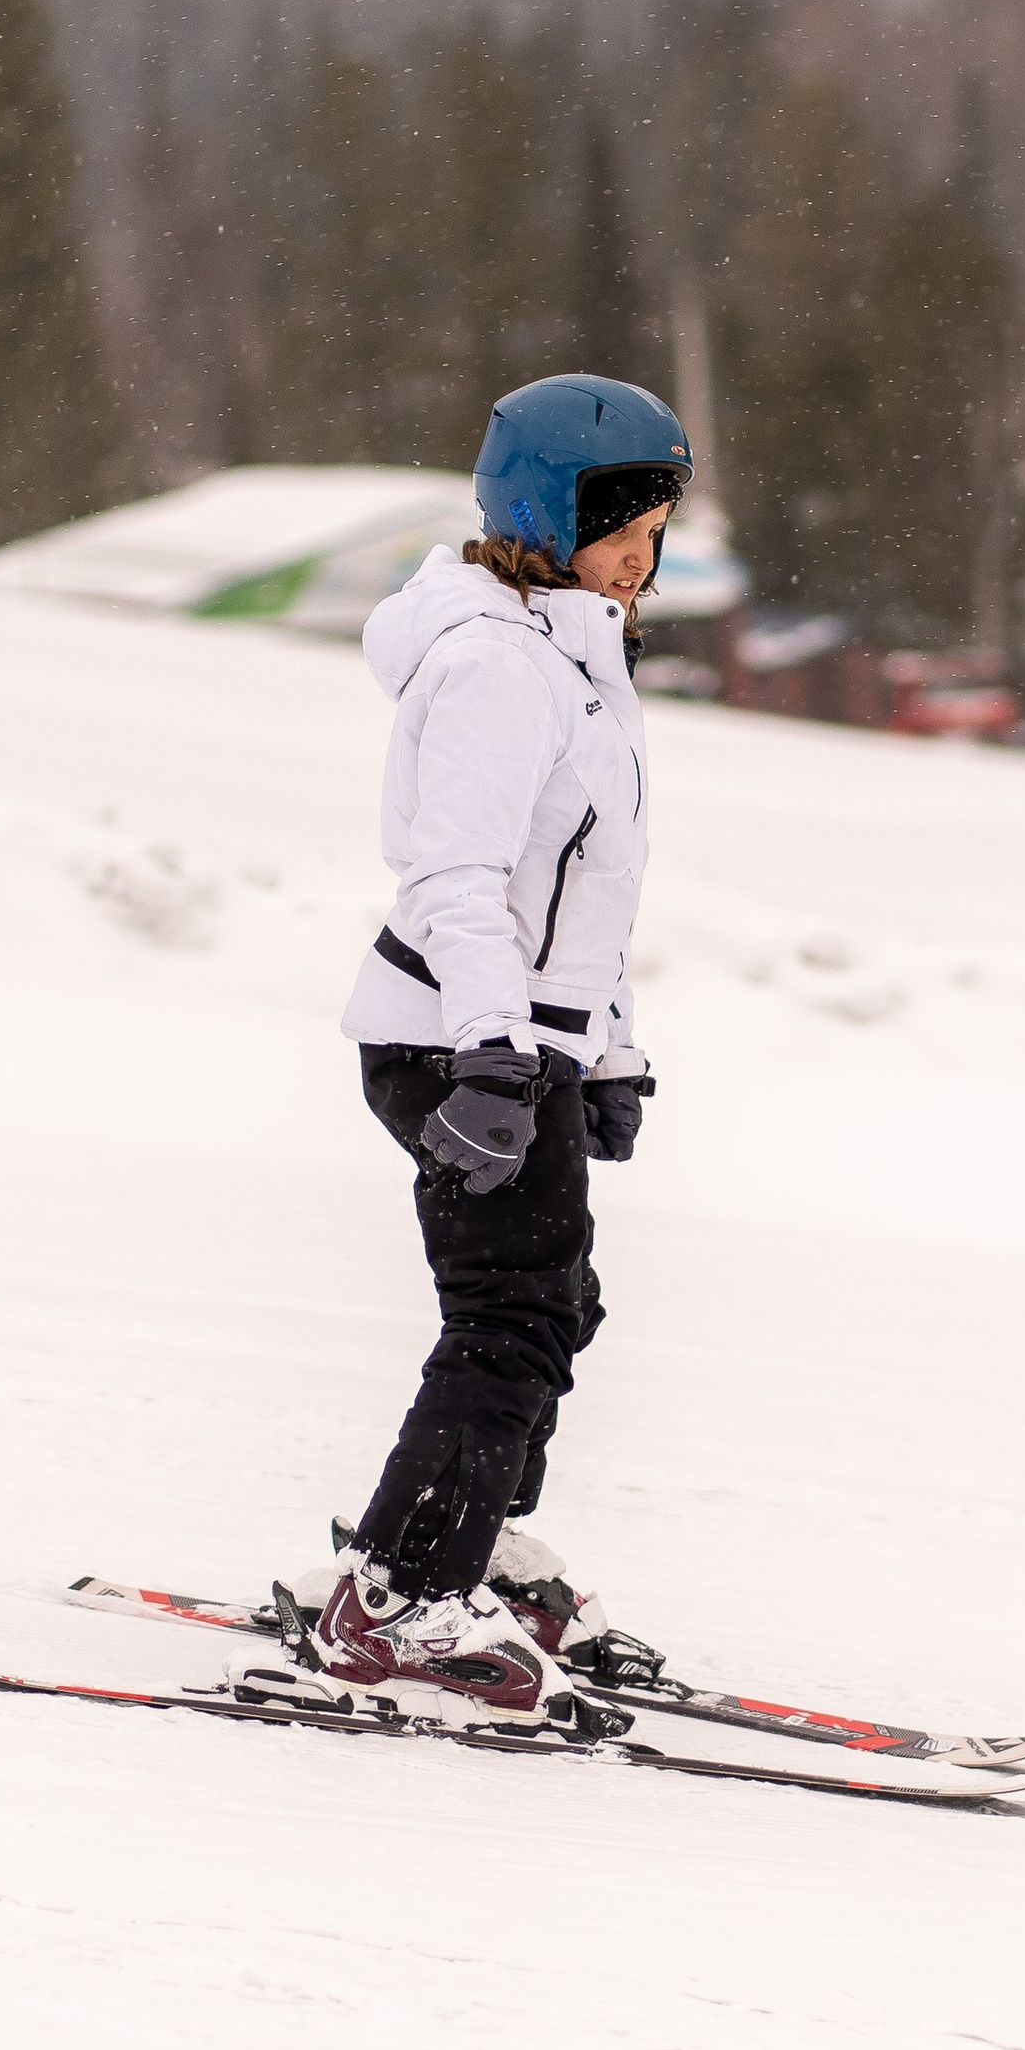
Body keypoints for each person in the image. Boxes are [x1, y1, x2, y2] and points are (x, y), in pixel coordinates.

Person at [314, 372, 693, 1726]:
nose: (647, 554)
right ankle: (405, 1602)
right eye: (622, 523)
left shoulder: (575, 656)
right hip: (451, 1038)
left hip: (515, 1039)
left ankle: (447, 1540)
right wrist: (492, 1057)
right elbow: (458, 880)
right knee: (511, 1317)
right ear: (545, 510)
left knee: (555, 1302)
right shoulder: (493, 665)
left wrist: (603, 1052)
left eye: (659, 525)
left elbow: (583, 892)